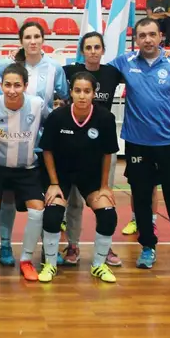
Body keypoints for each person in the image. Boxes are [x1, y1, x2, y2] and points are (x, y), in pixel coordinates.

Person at [108, 17, 170, 274]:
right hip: (138, 145)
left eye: (152, 34)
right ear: (135, 39)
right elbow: (97, 74)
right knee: (141, 199)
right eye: (142, 35)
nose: (147, 39)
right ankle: (147, 247)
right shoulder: (125, 63)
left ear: (160, 36)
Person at [0, 22, 69, 267]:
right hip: (10, 140)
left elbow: (63, 99)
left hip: (42, 143)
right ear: (21, 40)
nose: (33, 41)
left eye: (37, 36)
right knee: (7, 197)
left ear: (44, 39)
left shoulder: (55, 68)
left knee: (45, 199)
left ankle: (48, 248)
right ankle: (5, 244)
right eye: (28, 37)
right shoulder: (8, 66)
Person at [40, 71, 120, 283]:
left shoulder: (105, 118)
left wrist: (104, 186)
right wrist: (54, 183)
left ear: (94, 93)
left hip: (91, 177)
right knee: (52, 214)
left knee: (108, 214)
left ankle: (98, 265)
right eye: (77, 91)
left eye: (87, 91)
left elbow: (107, 153)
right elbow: (47, 150)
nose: (82, 96)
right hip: (62, 175)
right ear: (71, 93)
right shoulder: (57, 117)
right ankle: (50, 264)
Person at [59, 32, 124, 267]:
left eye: (97, 47)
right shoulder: (68, 73)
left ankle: (104, 249)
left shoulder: (113, 73)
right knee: (74, 202)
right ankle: (73, 245)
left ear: (103, 50)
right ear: (82, 50)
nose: (93, 51)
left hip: (103, 148)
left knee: (104, 197)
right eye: (89, 47)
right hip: (75, 147)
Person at [0, 64, 47, 281]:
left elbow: (52, 122)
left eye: (17, 85)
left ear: (26, 86)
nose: (12, 89)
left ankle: (26, 260)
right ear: (1, 85)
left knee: (37, 210)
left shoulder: (37, 104)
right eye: (7, 84)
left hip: (26, 169)